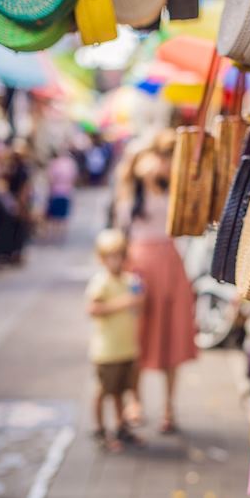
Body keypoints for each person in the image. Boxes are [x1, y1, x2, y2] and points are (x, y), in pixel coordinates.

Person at [114, 130, 197, 433]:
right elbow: (118, 237)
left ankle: (169, 408)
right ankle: (134, 401)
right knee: (139, 337)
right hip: (138, 269)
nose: (155, 165)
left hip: (170, 266)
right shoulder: (128, 196)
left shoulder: (172, 190)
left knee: (172, 335)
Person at [86, 229, 144, 450]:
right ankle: (100, 430)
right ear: (102, 259)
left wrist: (137, 300)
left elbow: (138, 305)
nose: (116, 261)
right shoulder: (101, 282)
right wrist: (124, 303)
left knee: (121, 391)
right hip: (106, 350)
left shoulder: (130, 280)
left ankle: (121, 427)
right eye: (110, 256)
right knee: (103, 391)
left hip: (126, 347)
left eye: (119, 255)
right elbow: (93, 308)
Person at [45, 148, 78, 241]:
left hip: (56, 191)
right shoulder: (70, 163)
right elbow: (74, 177)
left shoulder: (54, 163)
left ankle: (53, 235)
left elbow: (50, 178)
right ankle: (60, 235)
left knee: (54, 216)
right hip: (66, 191)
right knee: (63, 215)